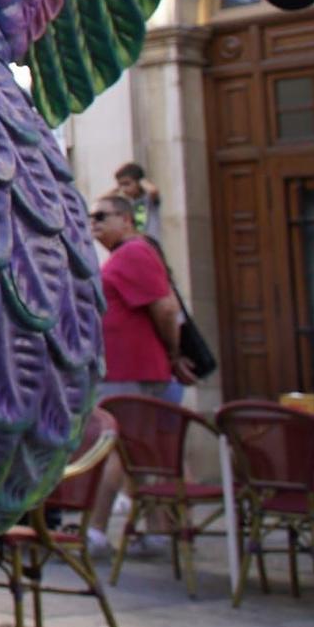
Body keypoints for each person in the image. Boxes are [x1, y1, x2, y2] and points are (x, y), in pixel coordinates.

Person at [85, 193, 197, 554]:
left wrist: (174, 353)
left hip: (133, 372)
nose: (93, 223)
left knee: (114, 447)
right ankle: (161, 531)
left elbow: (165, 308)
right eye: (90, 216)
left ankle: (97, 531)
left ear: (125, 219)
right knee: (144, 452)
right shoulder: (125, 256)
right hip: (130, 370)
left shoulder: (134, 252)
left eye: (102, 215)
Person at [114, 162, 162, 240]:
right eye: (121, 185)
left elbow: (153, 191)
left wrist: (142, 181)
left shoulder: (149, 199)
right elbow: (101, 201)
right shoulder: (126, 202)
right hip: (135, 243)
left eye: (127, 184)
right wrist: (116, 189)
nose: (124, 189)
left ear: (139, 182)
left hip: (150, 243)